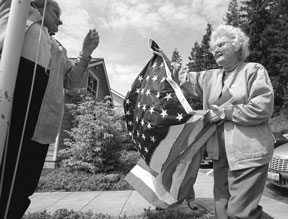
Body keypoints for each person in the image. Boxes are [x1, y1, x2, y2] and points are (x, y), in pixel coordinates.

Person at [154, 24, 274, 219]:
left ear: (237, 46)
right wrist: (167, 62)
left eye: (221, 44)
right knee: (222, 212)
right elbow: (183, 79)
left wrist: (226, 113)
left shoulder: (253, 70)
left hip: (248, 154)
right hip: (220, 156)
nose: (215, 49)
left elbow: (262, 108)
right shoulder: (210, 76)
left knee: (240, 214)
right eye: (213, 47)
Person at [0, 0, 99, 218]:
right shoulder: (18, 15)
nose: (61, 21)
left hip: (41, 123)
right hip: (10, 108)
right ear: (38, 5)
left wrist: (85, 52)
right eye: (56, 12)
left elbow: (72, 81)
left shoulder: (58, 48)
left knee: (22, 186)